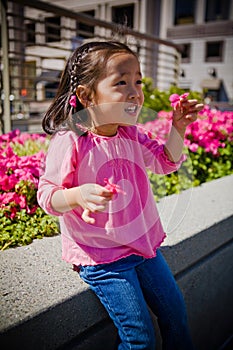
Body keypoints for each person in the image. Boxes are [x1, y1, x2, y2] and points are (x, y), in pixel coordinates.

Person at [37, 41, 203, 350]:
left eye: (137, 81)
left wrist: (177, 127)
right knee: (139, 338)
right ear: (87, 96)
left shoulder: (131, 134)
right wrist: (77, 195)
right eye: (121, 83)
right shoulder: (71, 139)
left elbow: (166, 162)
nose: (135, 91)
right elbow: (47, 195)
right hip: (102, 259)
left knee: (176, 316)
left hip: (142, 248)